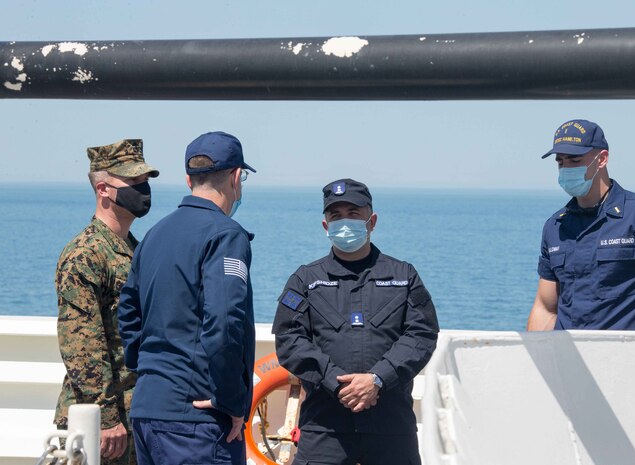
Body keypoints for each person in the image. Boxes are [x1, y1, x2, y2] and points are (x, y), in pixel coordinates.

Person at [273, 178, 439, 465]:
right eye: (335, 216)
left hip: (391, 430)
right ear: (326, 226)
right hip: (325, 431)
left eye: (353, 213)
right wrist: (337, 383)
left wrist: (377, 379)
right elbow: (289, 339)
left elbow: (422, 334)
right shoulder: (305, 280)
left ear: (371, 221)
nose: (344, 222)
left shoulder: (404, 276)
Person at [118, 131, 256, 465]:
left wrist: (154, 373)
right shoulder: (225, 235)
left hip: (149, 408)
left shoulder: (154, 235)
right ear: (237, 177)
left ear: (188, 179)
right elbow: (223, 322)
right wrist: (230, 399)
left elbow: (128, 313)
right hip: (197, 419)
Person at [528, 119, 635, 331]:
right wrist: (532, 361)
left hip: (626, 358)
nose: (566, 168)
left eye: (574, 160)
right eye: (560, 162)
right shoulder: (555, 227)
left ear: (602, 159)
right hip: (567, 359)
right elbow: (545, 308)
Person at [55, 139, 159, 465]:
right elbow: (81, 341)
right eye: (132, 182)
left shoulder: (135, 249)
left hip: (133, 411)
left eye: (144, 181)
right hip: (101, 421)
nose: (142, 189)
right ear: (103, 189)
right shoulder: (85, 254)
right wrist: (105, 416)